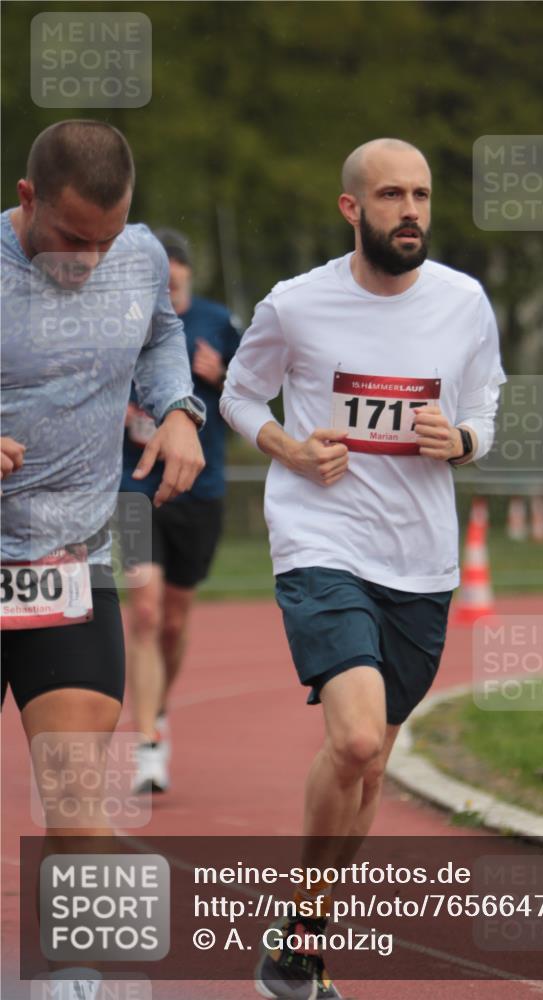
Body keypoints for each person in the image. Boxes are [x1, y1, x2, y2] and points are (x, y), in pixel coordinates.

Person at [221, 138, 505, 1000]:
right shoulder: (296, 304)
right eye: (390, 195)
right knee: (349, 737)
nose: (409, 211)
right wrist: (288, 448)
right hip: (321, 539)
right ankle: (304, 922)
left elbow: (486, 402)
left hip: (419, 561)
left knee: (372, 764)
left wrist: (461, 440)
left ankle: (304, 937)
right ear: (352, 208)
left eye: (420, 195)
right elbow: (238, 394)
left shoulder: (464, 302)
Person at [0, 120, 205, 999]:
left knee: (79, 798)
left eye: (106, 239)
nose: (89, 259)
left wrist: (178, 408)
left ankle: (70, 985)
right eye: (71, 238)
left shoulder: (140, 254)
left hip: (68, 561)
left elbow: (161, 338)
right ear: (27, 199)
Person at [119, 228, 240, 793]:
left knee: (172, 619)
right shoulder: (121, 319)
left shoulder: (219, 323)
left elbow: (254, 398)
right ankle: (145, 744)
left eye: (174, 278)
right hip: (134, 485)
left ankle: (158, 711)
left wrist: (221, 379)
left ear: (188, 276)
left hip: (199, 488)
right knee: (143, 611)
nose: (166, 287)